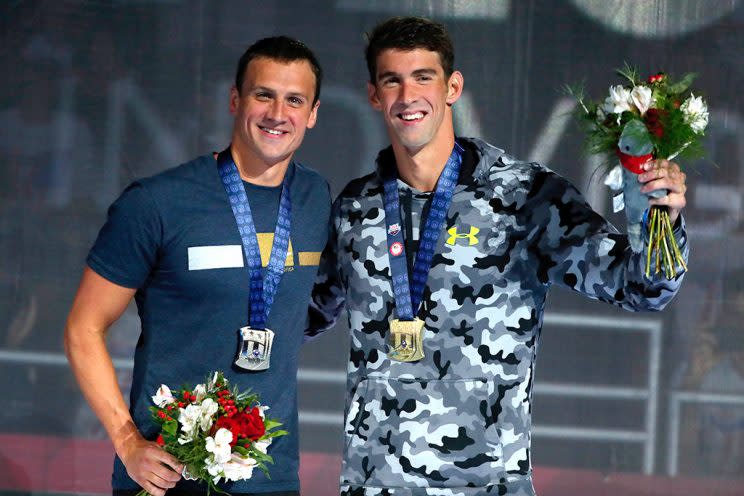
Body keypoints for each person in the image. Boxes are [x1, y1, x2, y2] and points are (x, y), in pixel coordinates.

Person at [306, 17, 689, 496]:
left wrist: (660, 218)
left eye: (423, 77)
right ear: (374, 95)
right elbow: (300, 314)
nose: (408, 97)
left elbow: (641, 287)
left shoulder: (525, 196)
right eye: (393, 81)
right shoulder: (355, 207)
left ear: (453, 87)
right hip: (373, 485)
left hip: (489, 485)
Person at [65, 36, 329, 496]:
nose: (277, 113)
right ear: (234, 100)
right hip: (166, 477)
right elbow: (82, 328)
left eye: (294, 100)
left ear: (312, 114)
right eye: (263, 94)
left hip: (272, 479)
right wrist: (128, 444)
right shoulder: (157, 202)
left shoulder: (315, 199)